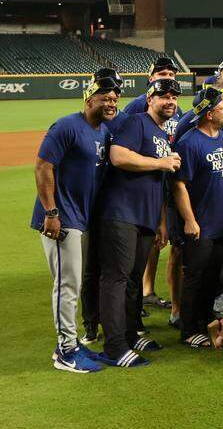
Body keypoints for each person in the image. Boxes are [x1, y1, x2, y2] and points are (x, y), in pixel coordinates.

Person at [33, 71, 121, 373]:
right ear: (89, 98)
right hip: (61, 217)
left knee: (76, 282)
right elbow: (43, 166)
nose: (111, 102)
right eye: (105, 98)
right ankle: (65, 351)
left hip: (80, 219)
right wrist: (51, 212)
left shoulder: (103, 132)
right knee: (67, 284)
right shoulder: (67, 126)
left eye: (114, 98)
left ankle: (71, 341)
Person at [95, 77, 183, 367]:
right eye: (163, 96)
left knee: (133, 279)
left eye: (174, 96)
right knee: (116, 278)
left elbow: (157, 184)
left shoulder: (162, 134)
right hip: (120, 214)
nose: (170, 100)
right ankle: (114, 347)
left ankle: (131, 334)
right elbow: (118, 156)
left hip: (145, 218)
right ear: (150, 99)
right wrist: (161, 162)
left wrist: (160, 223)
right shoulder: (136, 123)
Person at [172, 86, 223, 349]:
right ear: (208, 113)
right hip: (202, 223)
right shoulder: (189, 143)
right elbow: (179, 185)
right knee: (194, 277)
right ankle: (187, 330)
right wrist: (189, 220)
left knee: (213, 277)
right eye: (221, 107)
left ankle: (204, 320)